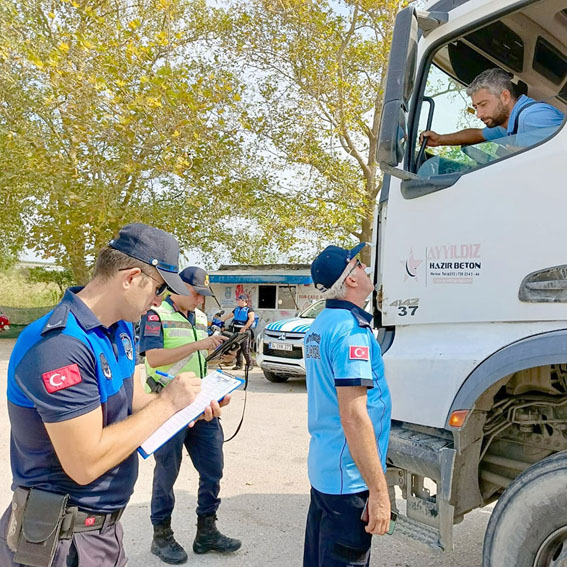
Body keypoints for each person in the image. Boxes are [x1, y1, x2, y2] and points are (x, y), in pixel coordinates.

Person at [0, 223, 229, 567]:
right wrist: (168, 402)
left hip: (100, 532)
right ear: (131, 277)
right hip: (58, 542)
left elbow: (134, 400)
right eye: (159, 288)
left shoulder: (119, 329)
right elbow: (85, 462)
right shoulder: (60, 345)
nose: (159, 300)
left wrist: (189, 405)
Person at [139, 266, 241, 564]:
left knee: (213, 469)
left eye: (203, 295)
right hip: (167, 406)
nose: (200, 301)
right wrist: (199, 343)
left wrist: (221, 359)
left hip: (201, 405)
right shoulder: (156, 314)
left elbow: (196, 361)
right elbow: (154, 357)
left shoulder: (199, 317)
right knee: (166, 474)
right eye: (197, 294)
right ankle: (162, 536)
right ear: (179, 287)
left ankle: (206, 532)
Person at [303, 243, 392, 567]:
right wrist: (379, 492)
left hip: (327, 470)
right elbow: (354, 416)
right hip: (349, 480)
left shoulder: (321, 325)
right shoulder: (351, 333)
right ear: (350, 280)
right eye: (357, 264)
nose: (364, 267)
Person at [420, 68, 565, 148]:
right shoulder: (507, 126)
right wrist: (440, 139)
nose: (478, 114)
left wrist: (522, 154)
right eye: (476, 107)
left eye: (483, 104)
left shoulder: (531, 117)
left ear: (505, 97)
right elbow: (477, 134)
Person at [221, 294, 255, 370]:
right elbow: (228, 316)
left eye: (239, 300)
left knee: (245, 349)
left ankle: (250, 365)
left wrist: (244, 328)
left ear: (243, 300)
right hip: (236, 331)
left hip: (245, 332)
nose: (237, 302)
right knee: (237, 348)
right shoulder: (236, 309)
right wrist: (221, 321)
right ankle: (239, 365)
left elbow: (251, 319)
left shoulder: (249, 310)